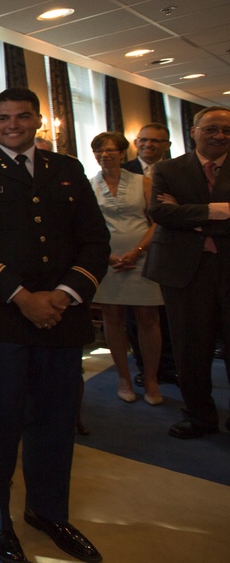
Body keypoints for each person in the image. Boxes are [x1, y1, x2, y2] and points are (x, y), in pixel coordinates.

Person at [0, 87, 109, 563]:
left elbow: (95, 241)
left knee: (56, 422)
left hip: (61, 319)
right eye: (2, 118)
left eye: (21, 116)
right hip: (1, 322)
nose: (12, 125)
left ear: (38, 119)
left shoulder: (68, 170)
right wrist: (22, 296)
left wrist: (64, 295)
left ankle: (49, 511)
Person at [143, 106, 230, 439]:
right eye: (211, 129)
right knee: (190, 349)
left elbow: (176, 214)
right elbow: (161, 213)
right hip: (184, 274)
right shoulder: (168, 168)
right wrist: (220, 212)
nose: (219, 135)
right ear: (193, 131)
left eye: (226, 130)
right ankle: (199, 416)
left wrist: (188, 215)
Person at [88, 131, 164, 405]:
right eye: (99, 150)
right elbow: (87, 227)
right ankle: (123, 377)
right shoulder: (89, 185)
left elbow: (157, 221)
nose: (104, 155)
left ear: (122, 153)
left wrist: (138, 251)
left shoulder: (143, 182)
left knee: (147, 319)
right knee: (113, 319)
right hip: (107, 260)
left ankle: (152, 379)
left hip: (142, 256)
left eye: (110, 150)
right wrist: (108, 255)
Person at [122, 123, 179, 386]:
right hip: (134, 253)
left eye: (156, 141)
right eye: (144, 140)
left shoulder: (180, 170)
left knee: (169, 313)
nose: (149, 145)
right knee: (138, 315)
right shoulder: (123, 172)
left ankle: (171, 365)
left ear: (167, 145)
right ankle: (145, 367)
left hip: (172, 249)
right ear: (135, 142)